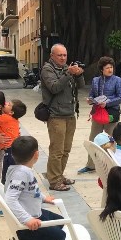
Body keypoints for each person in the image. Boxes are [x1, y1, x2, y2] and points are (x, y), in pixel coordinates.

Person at [5, 136, 66, 240]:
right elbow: (9, 199)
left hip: (35, 211)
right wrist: (27, 219)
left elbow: (32, 189)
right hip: (28, 222)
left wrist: (43, 198)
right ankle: (22, 239)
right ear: (36, 154)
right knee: (61, 236)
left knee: (61, 222)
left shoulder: (19, 168)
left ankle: (37, 234)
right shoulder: (21, 173)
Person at [40, 44, 85, 191]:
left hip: (70, 114)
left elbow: (81, 86)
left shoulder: (67, 68)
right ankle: (54, 181)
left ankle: (59, 175)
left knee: (66, 149)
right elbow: (54, 87)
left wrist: (79, 74)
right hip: (56, 115)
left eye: (65, 55)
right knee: (57, 150)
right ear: (52, 56)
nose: (63, 58)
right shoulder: (48, 69)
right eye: (60, 55)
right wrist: (68, 74)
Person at [79, 56, 121, 174]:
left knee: (111, 139)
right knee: (93, 139)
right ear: (101, 69)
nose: (110, 70)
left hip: (111, 113)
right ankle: (91, 165)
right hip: (98, 113)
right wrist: (90, 100)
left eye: (111, 67)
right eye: (107, 68)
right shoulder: (96, 80)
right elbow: (92, 94)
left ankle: (112, 165)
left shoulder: (117, 80)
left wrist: (107, 102)